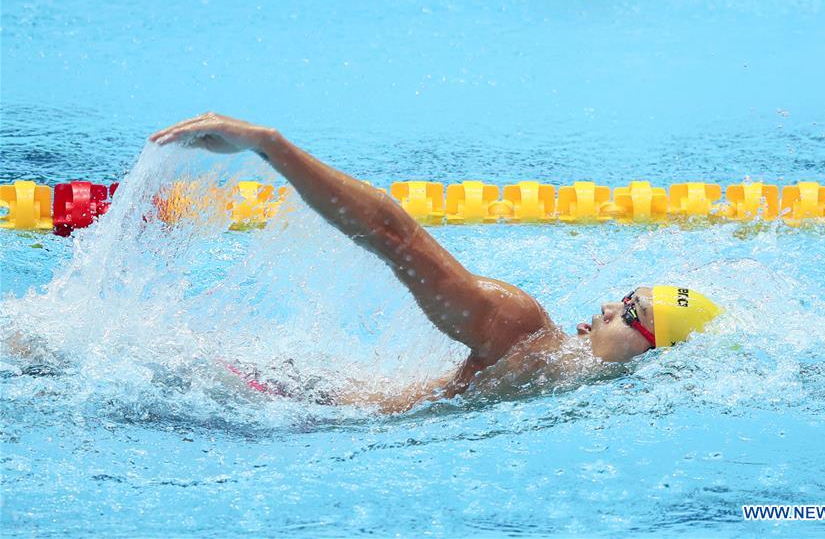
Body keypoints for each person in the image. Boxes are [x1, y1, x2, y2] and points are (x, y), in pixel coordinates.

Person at [150, 113, 722, 413]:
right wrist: (268, 144)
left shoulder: (562, 374)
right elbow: (392, 236)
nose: (606, 305)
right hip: (278, 404)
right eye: (623, 298)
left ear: (655, 352)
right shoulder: (522, 330)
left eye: (629, 310)